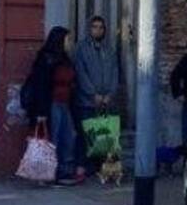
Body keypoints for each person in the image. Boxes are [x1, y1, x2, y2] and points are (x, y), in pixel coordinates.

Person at [22, 27, 80, 185]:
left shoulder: (66, 59)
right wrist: (41, 111)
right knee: (52, 138)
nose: (70, 43)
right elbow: (40, 86)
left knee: (68, 136)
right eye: (68, 39)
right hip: (51, 104)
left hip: (65, 103)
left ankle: (63, 172)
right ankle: (48, 173)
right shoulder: (46, 58)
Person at [73, 15, 119, 172]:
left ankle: (103, 168)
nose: (98, 30)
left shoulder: (109, 50)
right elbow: (81, 73)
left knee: (106, 135)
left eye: (101, 27)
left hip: (106, 101)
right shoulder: (81, 48)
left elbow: (114, 73)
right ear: (89, 29)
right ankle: (82, 167)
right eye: (95, 27)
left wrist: (110, 94)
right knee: (85, 135)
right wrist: (93, 94)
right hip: (87, 101)